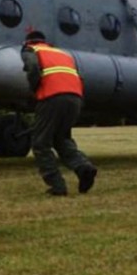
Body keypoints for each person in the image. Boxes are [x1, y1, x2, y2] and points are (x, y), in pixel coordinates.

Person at [21, 31, 97, 196]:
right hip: (75, 98)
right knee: (61, 138)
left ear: (28, 42)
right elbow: (79, 76)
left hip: (52, 97)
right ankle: (83, 167)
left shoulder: (31, 50)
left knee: (40, 143)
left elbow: (33, 68)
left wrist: (34, 90)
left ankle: (57, 186)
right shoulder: (61, 53)